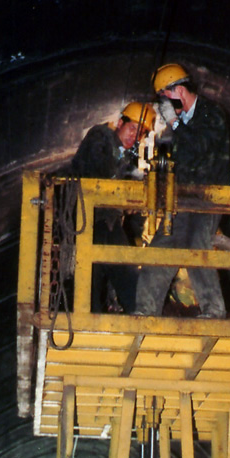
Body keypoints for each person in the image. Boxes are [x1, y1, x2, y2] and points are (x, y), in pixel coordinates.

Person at [134, 63, 230, 318]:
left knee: (196, 246)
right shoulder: (182, 124)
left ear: (179, 90)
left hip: (208, 197)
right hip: (183, 199)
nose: (165, 105)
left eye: (165, 98)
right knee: (161, 249)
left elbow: (200, 147)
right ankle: (145, 310)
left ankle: (214, 311)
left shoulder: (211, 113)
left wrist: (175, 123)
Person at [69, 102, 155, 312]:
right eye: (132, 128)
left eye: (140, 133)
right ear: (119, 123)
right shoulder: (100, 136)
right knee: (91, 275)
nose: (134, 136)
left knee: (123, 269)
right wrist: (128, 181)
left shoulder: (125, 156)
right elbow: (101, 170)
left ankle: (140, 315)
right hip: (88, 218)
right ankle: (90, 320)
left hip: (109, 221)